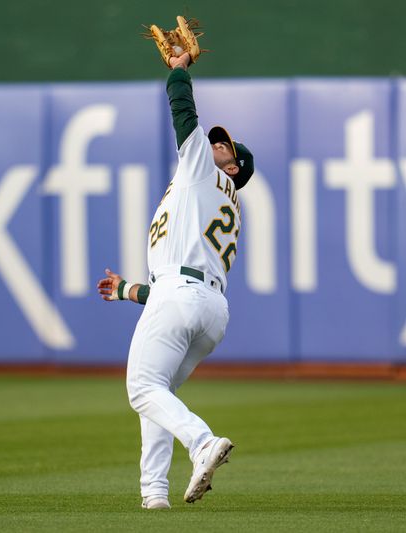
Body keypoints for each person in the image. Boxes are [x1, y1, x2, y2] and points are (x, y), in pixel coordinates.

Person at [96, 51, 254, 510]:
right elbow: (179, 274)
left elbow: (183, 115)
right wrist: (129, 290)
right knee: (157, 389)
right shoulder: (210, 192)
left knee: (141, 388)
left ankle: (202, 443)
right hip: (207, 307)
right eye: (218, 143)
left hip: (183, 295)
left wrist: (178, 70)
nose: (216, 144)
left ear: (234, 168)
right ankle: (154, 493)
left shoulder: (202, 168)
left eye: (226, 147)